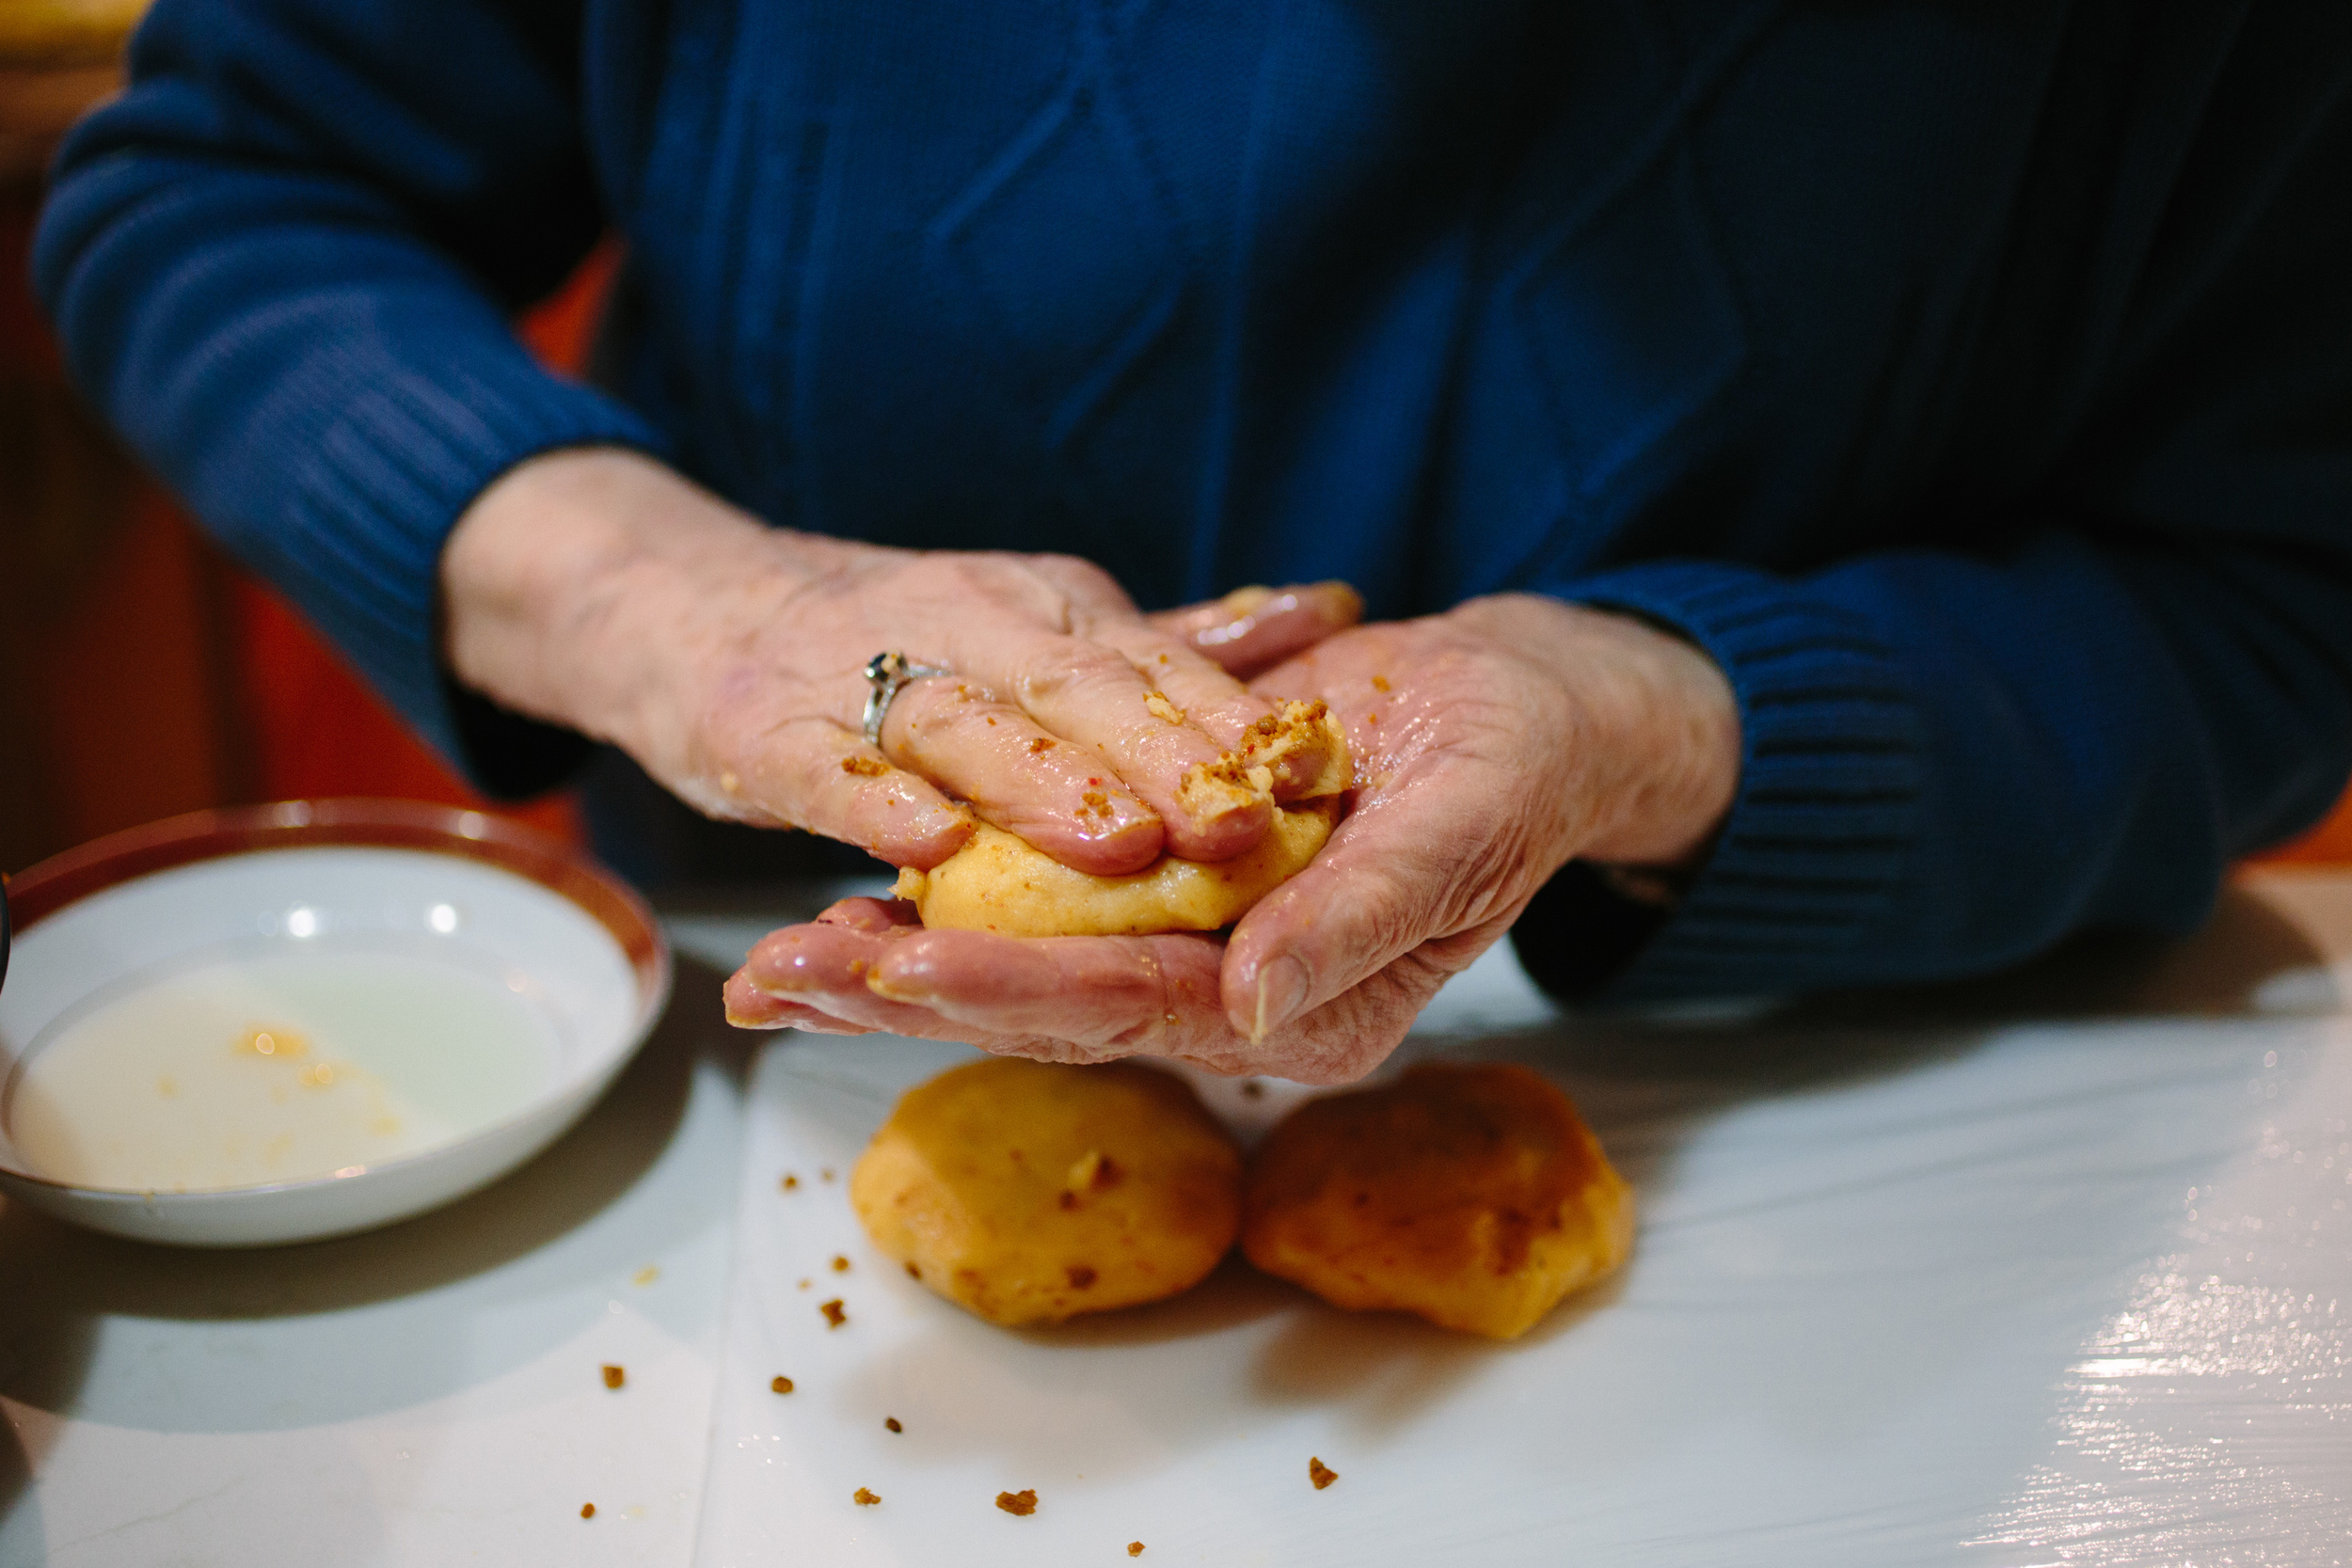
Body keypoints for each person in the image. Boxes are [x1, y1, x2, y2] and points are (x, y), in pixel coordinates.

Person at [34, 1, 2352, 1083]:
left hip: (1800, 1113)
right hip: (765, 1057)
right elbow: (227, 187)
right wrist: (671, 602)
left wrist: (1650, 714)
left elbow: (2263, 599)